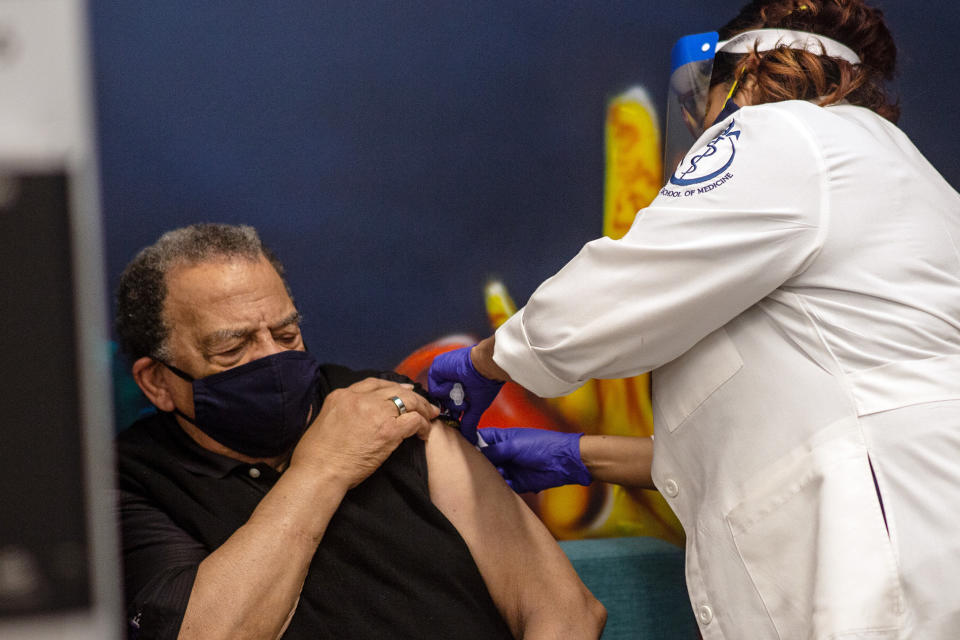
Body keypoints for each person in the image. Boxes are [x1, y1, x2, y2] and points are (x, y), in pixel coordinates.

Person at [428, 1, 960, 638]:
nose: (697, 122)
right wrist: (583, 455)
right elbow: (795, 411)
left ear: (744, 77)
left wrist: (489, 361)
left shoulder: (781, 132)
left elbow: (621, 292)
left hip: (872, 547)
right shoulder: (892, 168)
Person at [114, 223, 605, 640]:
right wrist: (323, 468)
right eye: (231, 349)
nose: (271, 358)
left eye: (286, 334)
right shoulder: (131, 482)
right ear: (157, 382)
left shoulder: (385, 402)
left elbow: (564, 612)